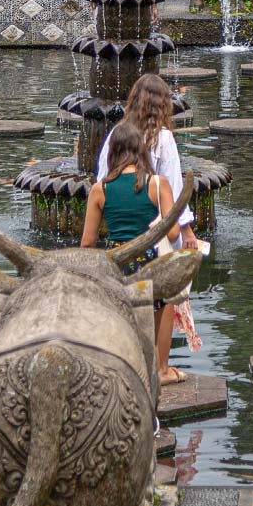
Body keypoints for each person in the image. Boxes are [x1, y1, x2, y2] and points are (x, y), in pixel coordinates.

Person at [94, 73, 194, 384]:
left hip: (120, 243)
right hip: (155, 240)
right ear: (163, 105)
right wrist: (187, 231)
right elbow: (175, 191)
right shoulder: (163, 138)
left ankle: (131, 364)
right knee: (164, 301)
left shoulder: (115, 135)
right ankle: (160, 368)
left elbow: (101, 179)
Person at [80, 118, 180, 378]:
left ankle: (124, 368)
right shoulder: (157, 184)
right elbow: (173, 231)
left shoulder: (99, 190)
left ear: (112, 152)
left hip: (116, 262)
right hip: (150, 259)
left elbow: (88, 242)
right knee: (165, 300)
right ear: (140, 150)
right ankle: (161, 369)